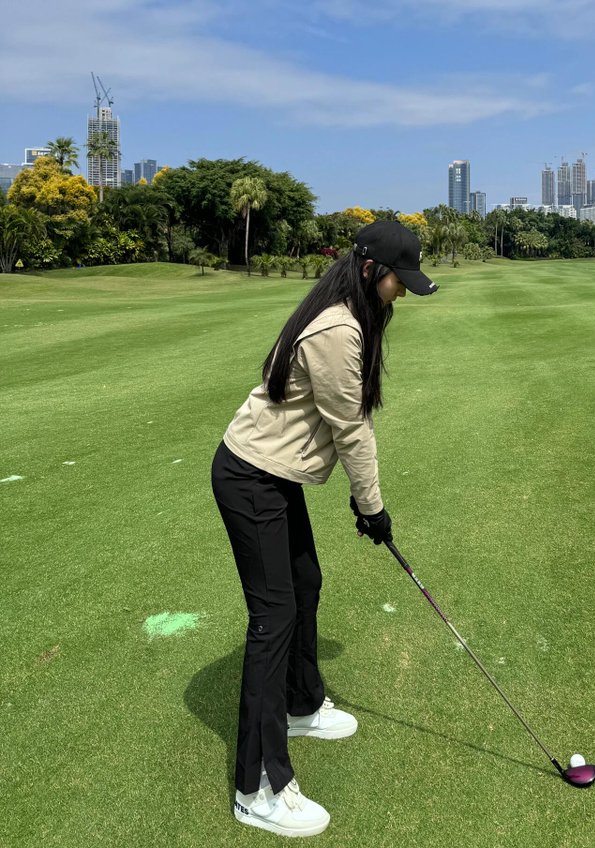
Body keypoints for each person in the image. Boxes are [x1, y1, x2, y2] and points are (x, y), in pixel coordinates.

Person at [211, 220, 438, 836]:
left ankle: (300, 703)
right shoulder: (338, 329)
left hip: (274, 474)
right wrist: (372, 507)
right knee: (272, 619)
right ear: (370, 271)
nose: (401, 293)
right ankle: (257, 786)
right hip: (251, 477)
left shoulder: (351, 313)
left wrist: (365, 506)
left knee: (304, 585)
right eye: (398, 281)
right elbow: (352, 430)